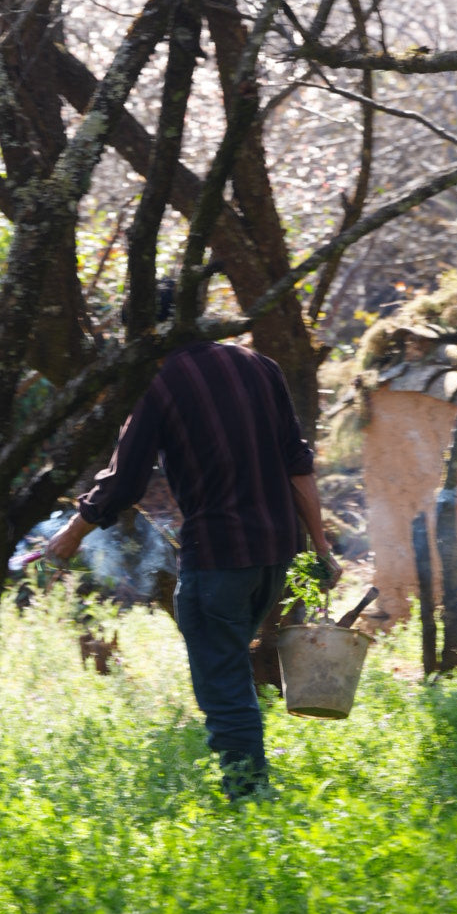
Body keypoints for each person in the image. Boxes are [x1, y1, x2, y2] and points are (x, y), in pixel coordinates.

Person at [46, 336, 341, 798]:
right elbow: (297, 463)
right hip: (276, 553)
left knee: (222, 684)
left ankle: (248, 799)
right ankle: (251, 785)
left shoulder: (160, 383)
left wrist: (72, 533)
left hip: (220, 555)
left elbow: (124, 479)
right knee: (230, 669)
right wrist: (321, 547)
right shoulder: (260, 363)